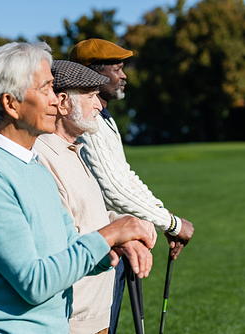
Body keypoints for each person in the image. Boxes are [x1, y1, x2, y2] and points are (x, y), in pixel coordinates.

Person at [0, 42, 156, 334]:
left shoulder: (32, 165)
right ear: (11, 104)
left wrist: (114, 246)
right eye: (46, 89)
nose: (56, 101)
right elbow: (33, 282)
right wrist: (109, 234)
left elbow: (69, 249)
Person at [69, 38, 195, 333]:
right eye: (118, 68)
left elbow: (125, 177)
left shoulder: (104, 119)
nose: (124, 75)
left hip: (115, 240)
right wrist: (171, 224)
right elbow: (114, 190)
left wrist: (163, 215)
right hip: (98, 247)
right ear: (94, 75)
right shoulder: (87, 122)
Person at [33, 60, 152, 334]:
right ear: (62, 103)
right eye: (90, 97)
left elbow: (89, 216)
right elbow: (60, 239)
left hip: (97, 312)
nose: (99, 106)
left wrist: (126, 224)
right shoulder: (42, 156)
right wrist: (118, 234)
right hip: (71, 320)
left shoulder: (74, 149)